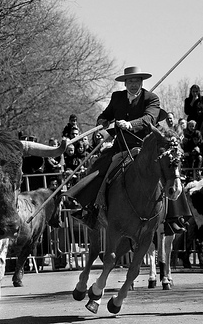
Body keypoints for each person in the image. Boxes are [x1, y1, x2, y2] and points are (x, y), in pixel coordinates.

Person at [68, 66, 161, 228]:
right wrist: (102, 121)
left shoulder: (151, 98)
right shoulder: (117, 97)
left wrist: (130, 125)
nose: (134, 84)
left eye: (137, 81)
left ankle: (174, 216)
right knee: (98, 167)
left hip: (143, 147)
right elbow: (106, 114)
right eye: (130, 81)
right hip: (119, 146)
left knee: (167, 170)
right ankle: (90, 209)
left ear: (142, 82)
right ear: (125, 83)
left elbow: (149, 119)